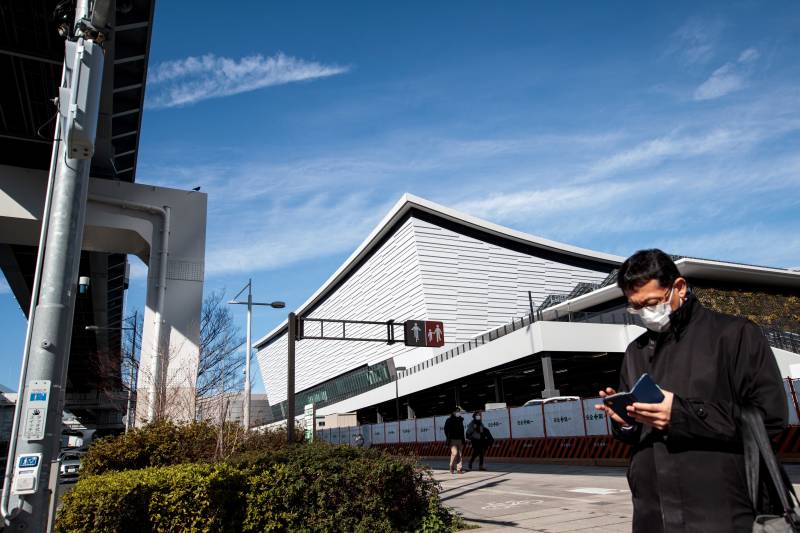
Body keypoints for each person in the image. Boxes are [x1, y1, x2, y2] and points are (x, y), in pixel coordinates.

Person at [595, 249, 787, 533]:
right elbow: (636, 435)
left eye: (651, 303)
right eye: (636, 307)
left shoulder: (735, 335)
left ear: (679, 287)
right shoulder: (635, 352)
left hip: (720, 511)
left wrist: (681, 414)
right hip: (652, 512)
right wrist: (624, 422)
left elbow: (769, 417)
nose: (645, 314)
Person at [443, 407, 466, 474]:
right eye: (457, 411)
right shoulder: (449, 420)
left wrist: (463, 439)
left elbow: (462, 430)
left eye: (459, 411)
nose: (458, 412)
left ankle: (459, 469)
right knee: (455, 453)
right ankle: (451, 465)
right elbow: (445, 429)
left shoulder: (460, 420)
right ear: (453, 412)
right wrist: (448, 437)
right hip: (452, 440)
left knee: (460, 454)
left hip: (460, 439)